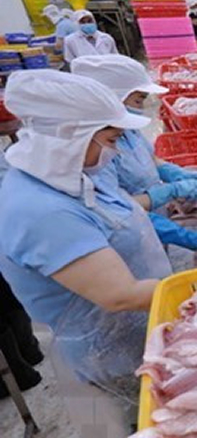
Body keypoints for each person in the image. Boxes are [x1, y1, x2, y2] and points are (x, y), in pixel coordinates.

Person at [0, 70, 172, 402]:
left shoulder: (72, 175)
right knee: (140, 410)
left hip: (137, 329)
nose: (116, 152)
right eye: (112, 140)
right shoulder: (40, 210)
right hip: (108, 354)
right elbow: (121, 296)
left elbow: (116, 217)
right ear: (71, 137)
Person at [71, 55, 197, 252]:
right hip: (130, 235)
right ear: (115, 98)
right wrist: (172, 192)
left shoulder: (128, 129)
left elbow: (148, 157)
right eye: (138, 100)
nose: (142, 107)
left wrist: (174, 173)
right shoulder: (94, 150)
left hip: (153, 219)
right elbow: (114, 209)